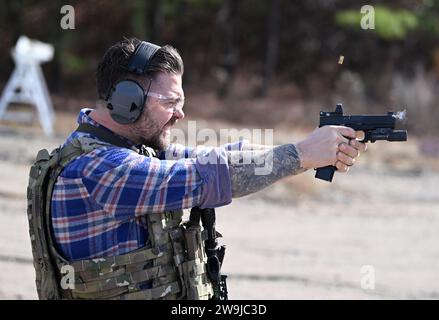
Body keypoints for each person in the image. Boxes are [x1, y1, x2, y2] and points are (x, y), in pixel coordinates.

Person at [27, 37, 366, 300]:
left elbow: (221, 157)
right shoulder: (100, 168)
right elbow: (214, 176)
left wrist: (314, 151)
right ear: (126, 101)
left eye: (181, 102)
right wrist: (302, 154)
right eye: (170, 103)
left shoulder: (128, 149)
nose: (180, 115)